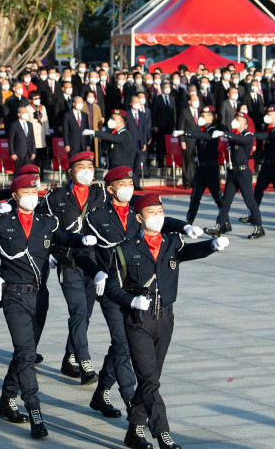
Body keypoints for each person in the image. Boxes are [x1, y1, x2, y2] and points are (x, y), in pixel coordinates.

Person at [102, 193, 228, 449]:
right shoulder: (125, 249)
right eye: (151, 212)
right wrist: (131, 300)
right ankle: (164, 438)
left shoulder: (172, 243)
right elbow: (111, 288)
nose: (157, 216)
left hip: (166, 319)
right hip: (138, 321)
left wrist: (212, 245)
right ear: (139, 218)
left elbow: (191, 252)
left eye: (160, 211)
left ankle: (135, 428)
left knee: (152, 378)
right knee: (149, 380)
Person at [0, 174, 95, 439]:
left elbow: (63, 237)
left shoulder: (47, 222)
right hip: (14, 296)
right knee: (26, 352)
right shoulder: (1, 224)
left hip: (39, 296)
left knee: (25, 352)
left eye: (34, 190)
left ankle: (6, 400)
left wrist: (81, 240)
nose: (32, 195)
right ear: (15, 196)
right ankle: (35, 411)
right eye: (26, 191)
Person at [83, 166, 202, 420]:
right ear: (110, 188)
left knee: (121, 345)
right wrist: (96, 272)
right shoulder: (96, 216)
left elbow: (162, 220)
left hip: (142, 292)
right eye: (122, 183)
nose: (128, 187)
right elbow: (81, 251)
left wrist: (184, 227)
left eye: (130, 182)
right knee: (123, 343)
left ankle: (102, 391)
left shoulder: (139, 210)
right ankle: (131, 403)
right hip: (113, 289)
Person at [39, 151, 106, 383]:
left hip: (95, 263)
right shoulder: (55, 198)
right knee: (77, 311)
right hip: (69, 261)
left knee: (86, 313)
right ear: (70, 171)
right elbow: (41, 225)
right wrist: (47, 252)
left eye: (90, 165)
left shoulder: (102, 194)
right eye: (81, 166)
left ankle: (69, 357)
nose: (87, 170)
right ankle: (85, 362)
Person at [208, 113, 264, 239]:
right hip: (232, 172)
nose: (235, 121)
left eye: (238, 119)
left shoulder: (248, 135)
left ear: (244, 122)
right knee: (225, 202)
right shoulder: (234, 136)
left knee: (250, 202)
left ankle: (259, 227)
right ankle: (218, 226)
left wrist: (225, 134)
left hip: (243, 173)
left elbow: (242, 140)